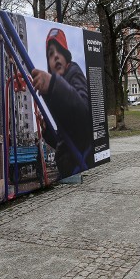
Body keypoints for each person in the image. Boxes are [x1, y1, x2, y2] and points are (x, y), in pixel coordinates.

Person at [31, 28, 93, 178]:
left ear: (66, 57)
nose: (56, 56)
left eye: (60, 51)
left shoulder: (73, 72)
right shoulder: (61, 89)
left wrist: (53, 84)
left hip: (81, 163)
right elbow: (64, 139)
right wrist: (46, 131)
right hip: (70, 167)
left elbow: (84, 115)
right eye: (51, 54)